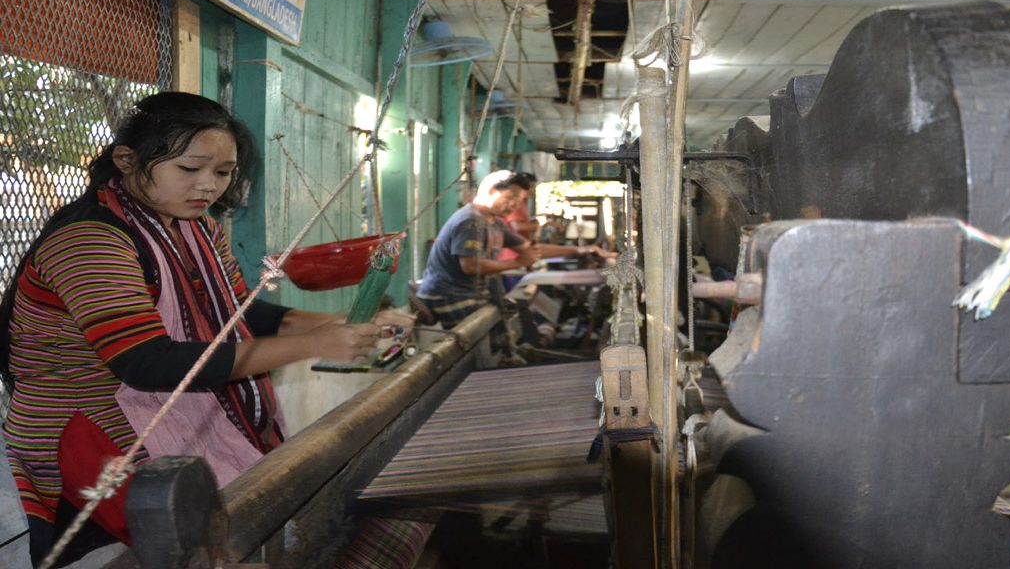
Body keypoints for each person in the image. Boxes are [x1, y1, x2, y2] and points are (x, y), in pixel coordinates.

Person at [0, 92, 401, 564]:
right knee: (126, 555)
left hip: (165, 415)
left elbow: (233, 312)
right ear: (127, 160)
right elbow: (148, 362)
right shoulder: (90, 240)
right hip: (91, 433)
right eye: (189, 169)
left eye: (223, 172)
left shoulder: (196, 229)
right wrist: (313, 344)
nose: (207, 186)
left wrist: (334, 323)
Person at [417, 170, 613, 328]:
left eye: (519, 201)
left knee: (510, 321)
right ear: (492, 191)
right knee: (493, 338)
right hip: (447, 294)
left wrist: (583, 250)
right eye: (511, 197)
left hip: (468, 293)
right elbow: (470, 266)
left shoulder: (494, 222)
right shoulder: (471, 221)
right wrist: (517, 263)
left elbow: (532, 248)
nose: (514, 205)